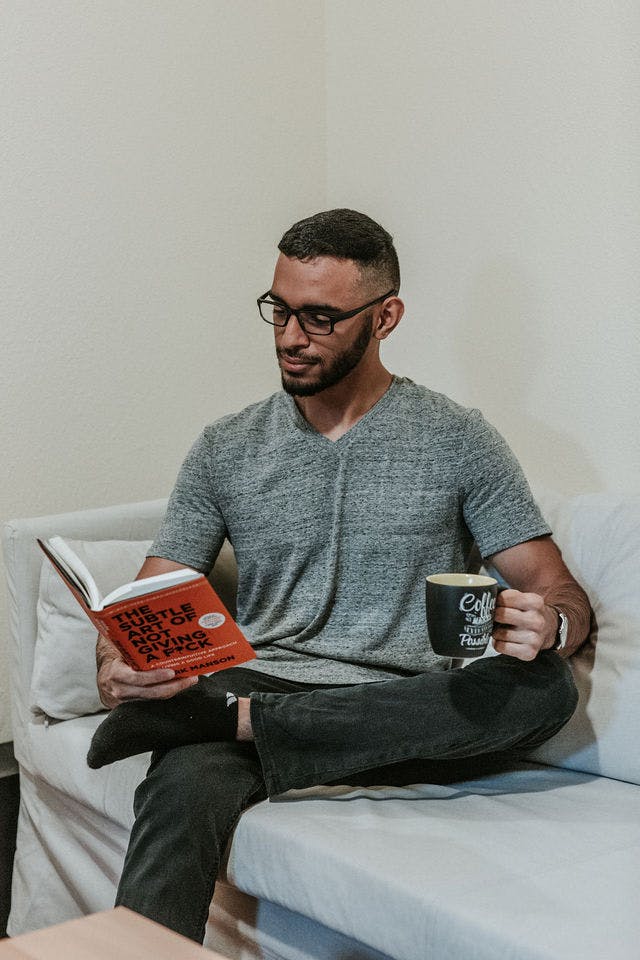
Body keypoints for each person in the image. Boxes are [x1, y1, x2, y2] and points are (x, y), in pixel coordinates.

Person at [90, 209, 591, 943]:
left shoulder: (459, 439)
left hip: (406, 704)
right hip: (268, 680)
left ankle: (243, 723)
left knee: (545, 687)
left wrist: (553, 624)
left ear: (385, 317)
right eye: (281, 311)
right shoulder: (225, 449)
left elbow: (560, 593)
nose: (292, 337)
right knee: (181, 784)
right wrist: (117, 667)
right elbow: (149, 603)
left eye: (321, 318)